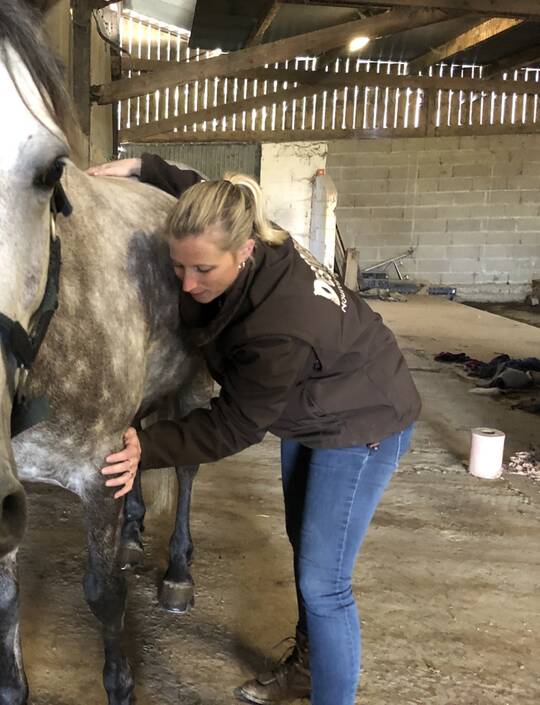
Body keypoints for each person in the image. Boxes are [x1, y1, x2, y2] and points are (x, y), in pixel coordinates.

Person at [93, 154, 420, 705]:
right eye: (179, 267)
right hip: (313, 406)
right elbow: (195, 185)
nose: (188, 282)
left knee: (325, 583)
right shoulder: (239, 220)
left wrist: (148, 445)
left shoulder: (278, 326)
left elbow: (236, 423)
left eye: (203, 271)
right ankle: (307, 671)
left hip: (363, 420)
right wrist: (138, 167)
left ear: (244, 252)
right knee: (308, 549)